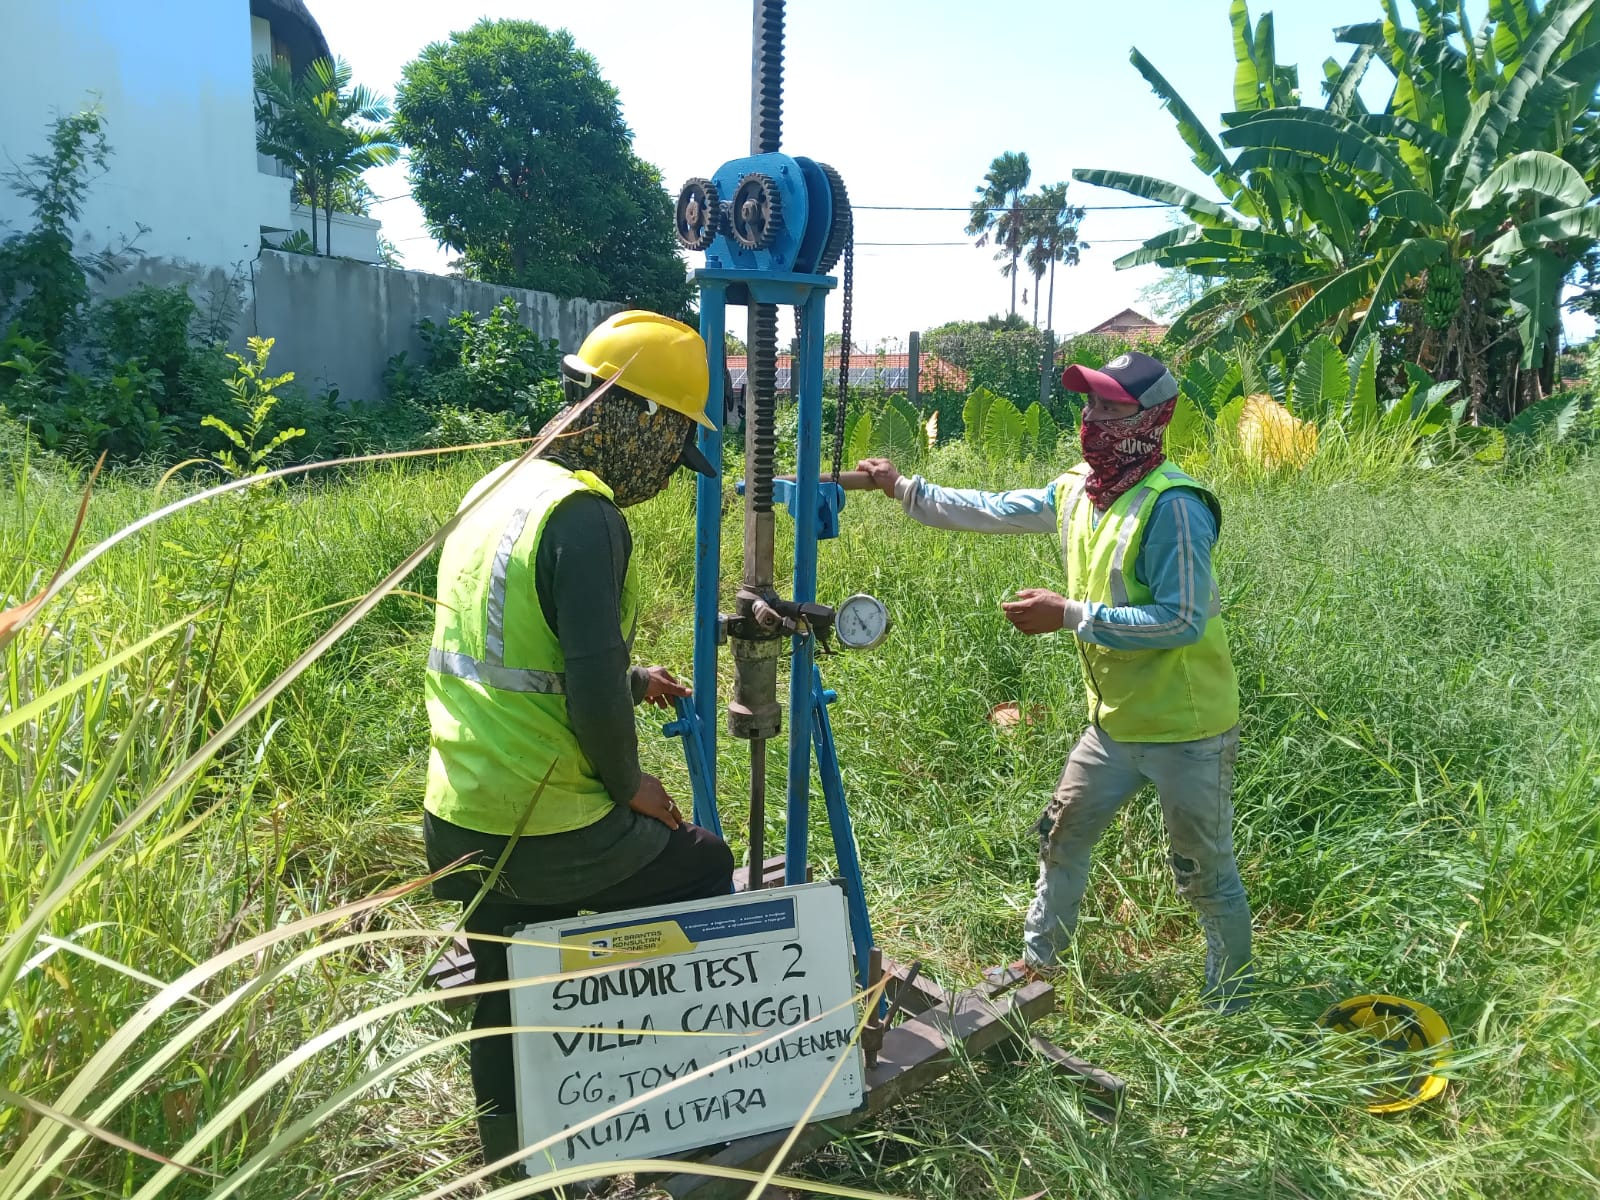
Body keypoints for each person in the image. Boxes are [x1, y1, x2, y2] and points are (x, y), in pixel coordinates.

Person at [422, 310, 736, 1161]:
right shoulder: (586, 517)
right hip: (549, 828)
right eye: (674, 444)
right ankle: (660, 1104)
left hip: (456, 819)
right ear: (633, 418)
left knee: (500, 985)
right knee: (703, 865)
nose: (672, 471)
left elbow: (509, 648)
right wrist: (636, 786)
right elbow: (589, 690)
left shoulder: (496, 489)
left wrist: (633, 680)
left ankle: (509, 1156)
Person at [857, 350, 1251, 1012]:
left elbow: (1181, 621)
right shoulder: (1079, 489)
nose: (1091, 420)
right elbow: (996, 508)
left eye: (1110, 407)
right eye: (1088, 405)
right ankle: (1038, 967)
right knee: (1061, 837)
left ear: (1154, 418)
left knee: (1203, 872)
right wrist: (904, 488)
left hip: (1188, 731)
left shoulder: (1174, 508)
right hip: (1114, 724)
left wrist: (1068, 616)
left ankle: (1231, 1002)